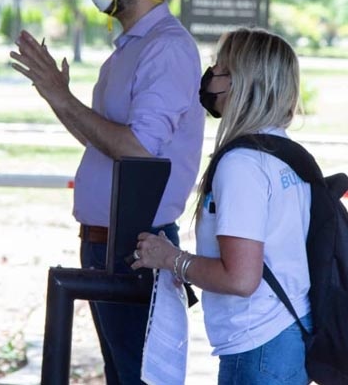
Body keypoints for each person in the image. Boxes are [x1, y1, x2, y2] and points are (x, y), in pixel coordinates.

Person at [9, 0, 205, 384]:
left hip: (138, 245)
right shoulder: (128, 51)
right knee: (120, 373)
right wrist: (58, 99)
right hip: (105, 241)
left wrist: (64, 98)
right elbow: (101, 140)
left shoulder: (168, 49)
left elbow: (136, 149)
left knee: (137, 376)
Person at [131, 28, 313, 385]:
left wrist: (171, 259)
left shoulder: (242, 165)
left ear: (242, 83)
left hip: (259, 348)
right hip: (288, 335)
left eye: (219, 68)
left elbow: (242, 278)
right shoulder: (285, 154)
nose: (210, 78)